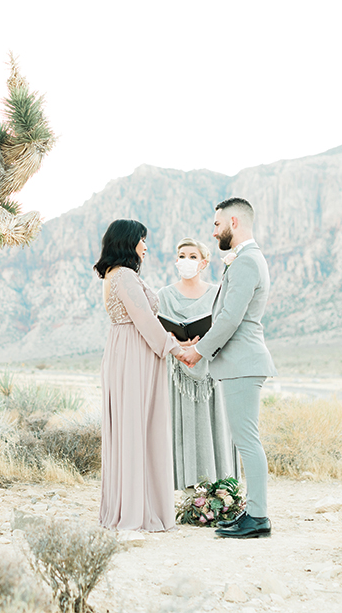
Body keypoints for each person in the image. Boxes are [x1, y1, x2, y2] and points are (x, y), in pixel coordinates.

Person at [177, 198, 277, 539]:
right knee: (245, 441)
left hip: (243, 362)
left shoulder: (248, 261)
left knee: (248, 442)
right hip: (238, 362)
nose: (213, 230)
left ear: (233, 221)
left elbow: (232, 318)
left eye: (217, 224)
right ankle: (253, 512)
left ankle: (259, 516)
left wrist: (198, 352)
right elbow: (226, 316)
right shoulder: (245, 260)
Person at [94, 219, 182, 531]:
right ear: (128, 242)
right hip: (136, 353)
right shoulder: (126, 276)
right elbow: (144, 318)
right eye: (142, 240)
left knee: (130, 428)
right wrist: (175, 348)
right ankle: (138, 510)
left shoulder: (112, 275)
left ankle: (129, 502)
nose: (146, 246)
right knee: (138, 427)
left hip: (125, 349)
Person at [157, 238, 237, 490]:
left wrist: (200, 346)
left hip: (210, 368)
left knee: (214, 423)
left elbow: (227, 328)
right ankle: (182, 488)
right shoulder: (164, 295)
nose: (186, 261)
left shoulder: (217, 293)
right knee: (181, 425)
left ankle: (219, 487)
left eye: (193, 256)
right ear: (175, 261)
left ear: (203, 263)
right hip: (177, 370)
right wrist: (171, 340)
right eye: (182, 255)